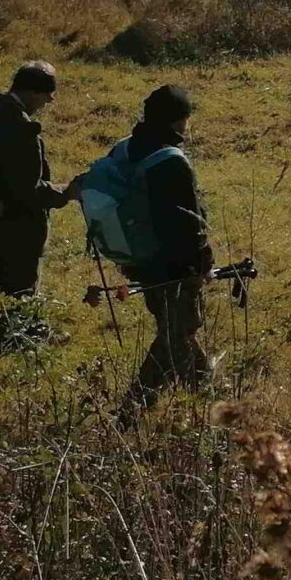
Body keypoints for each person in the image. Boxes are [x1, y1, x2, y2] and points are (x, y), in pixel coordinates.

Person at [0, 60, 76, 359]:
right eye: (47, 94)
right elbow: (28, 189)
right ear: (32, 92)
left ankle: (35, 335)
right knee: (19, 291)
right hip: (15, 222)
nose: (50, 100)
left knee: (17, 284)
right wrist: (65, 194)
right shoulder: (18, 127)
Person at [121, 83, 212, 417]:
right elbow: (186, 222)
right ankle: (131, 408)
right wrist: (201, 260)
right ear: (179, 121)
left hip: (139, 259)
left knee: (178, 329)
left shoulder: (130, 149)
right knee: (177, 333)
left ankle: (207, 393)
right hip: (173, 264)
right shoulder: (170, 161)